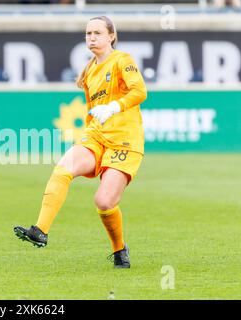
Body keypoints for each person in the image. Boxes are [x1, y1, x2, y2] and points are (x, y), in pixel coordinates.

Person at [13, 16, 147, 269]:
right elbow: (92, 108)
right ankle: (40, 230)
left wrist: (114, 106)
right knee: (63, 168)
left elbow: (140, 91)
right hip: (96, 135)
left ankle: (119, 249)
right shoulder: (88, 70)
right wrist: (89, 132)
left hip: (124, 141)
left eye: (97, 33)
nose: (92, 38)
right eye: (88, 33)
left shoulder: (122, 60)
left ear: (111, 36)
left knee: (104, 202)